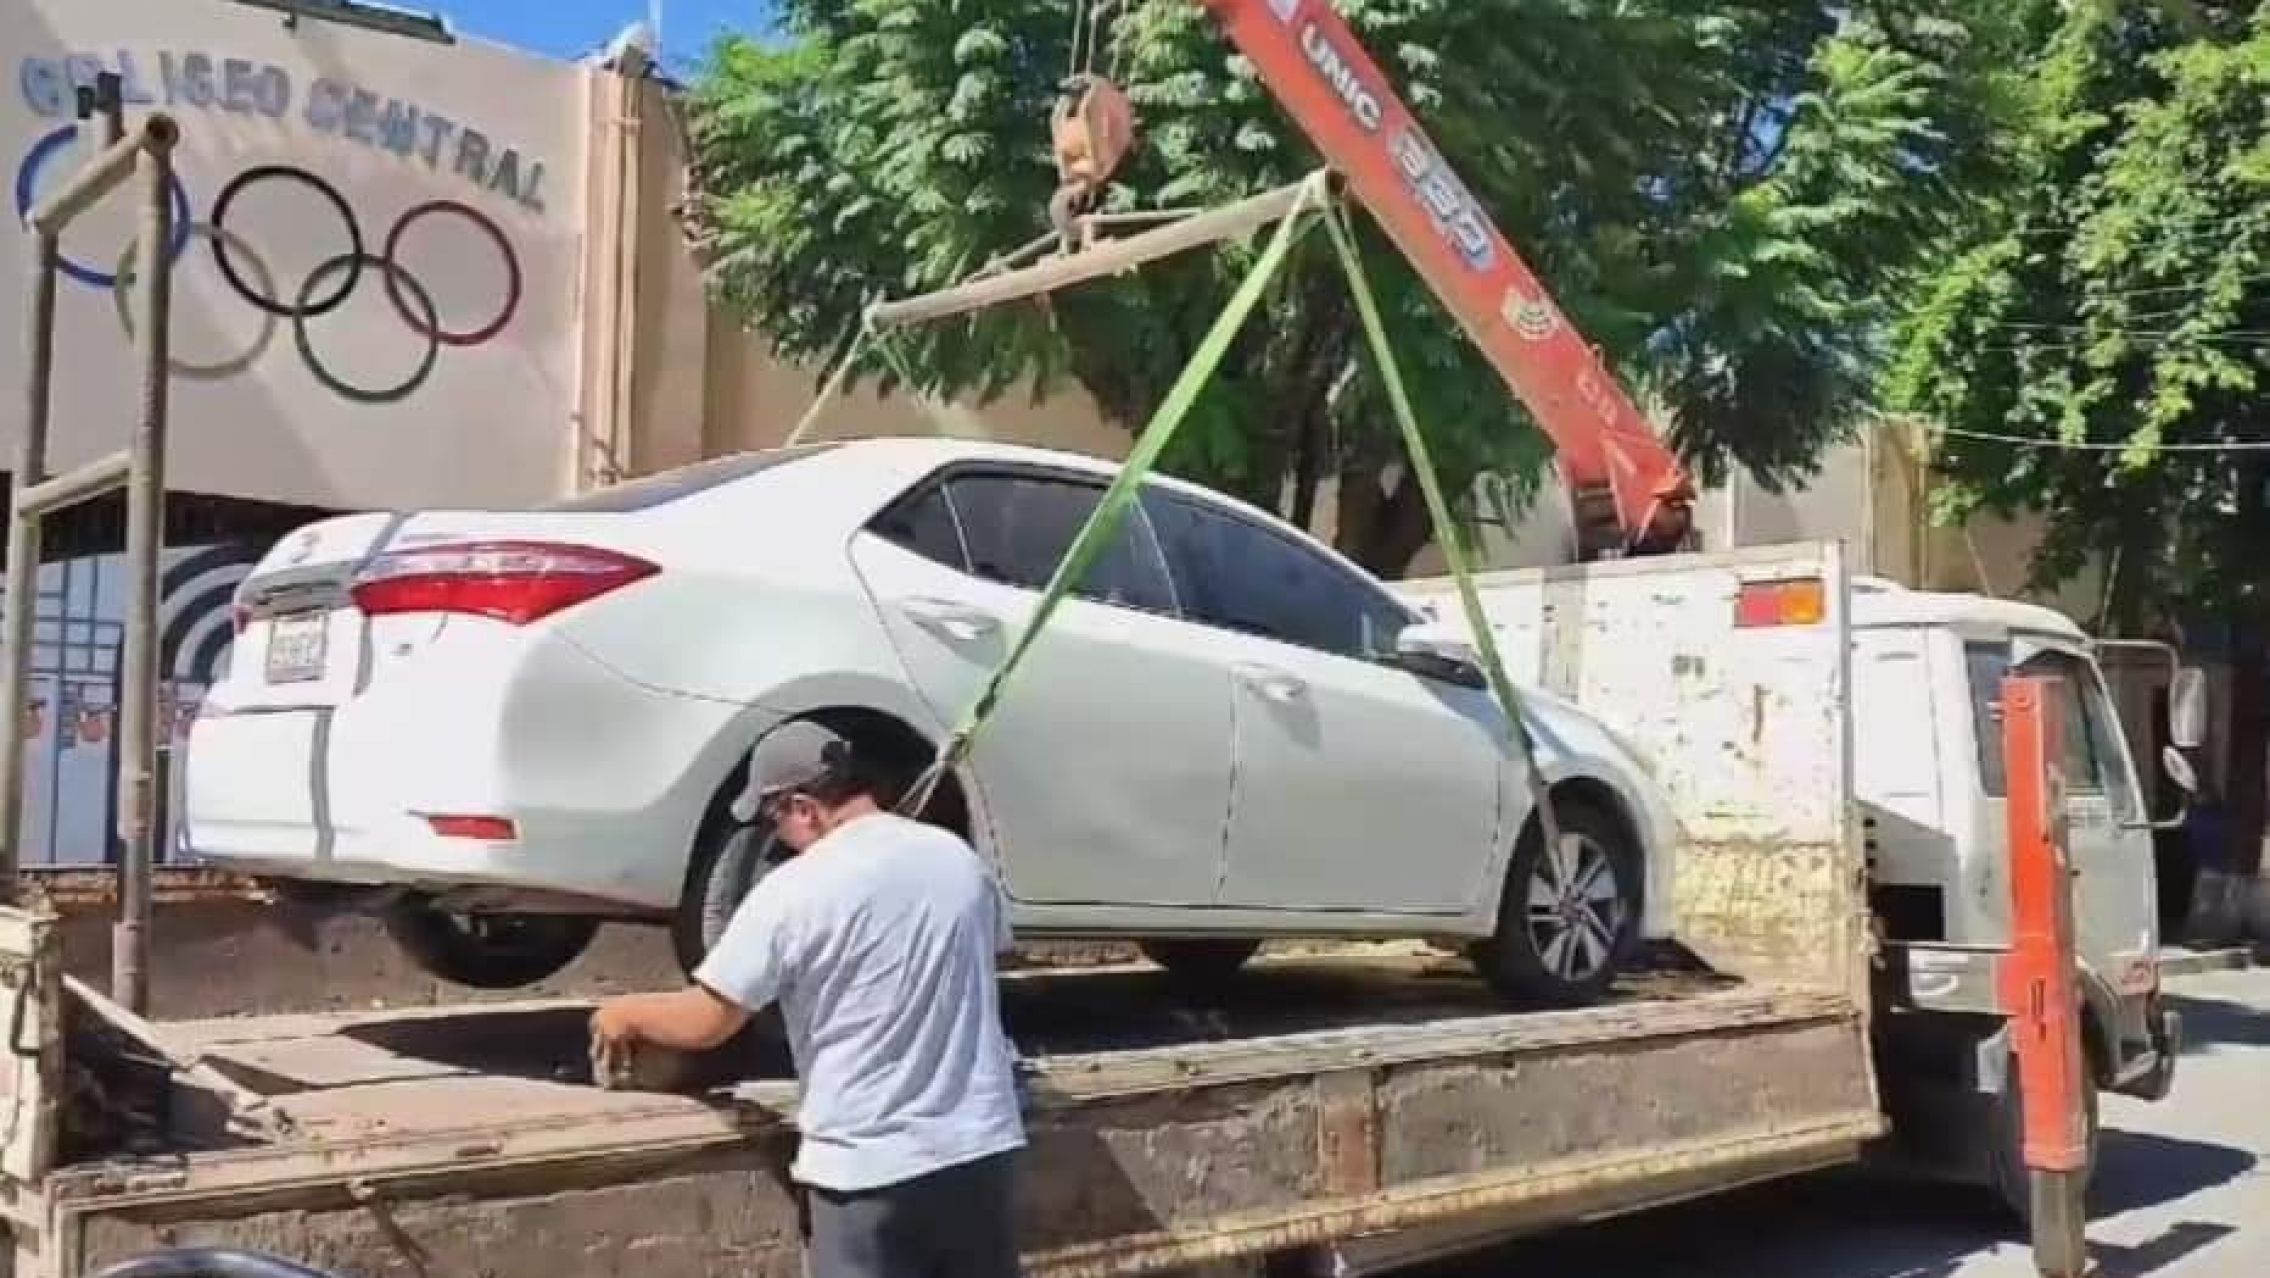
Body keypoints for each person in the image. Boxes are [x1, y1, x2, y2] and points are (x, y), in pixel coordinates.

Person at [590, 720, 1026, 1278]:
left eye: (774, 819)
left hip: (869, 1172)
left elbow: (708, 1020)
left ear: (804, 807)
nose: (778, 837)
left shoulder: (796, 889)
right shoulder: (959, 861)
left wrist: (622, 1013)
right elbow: (993, 956)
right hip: (981, 1157)